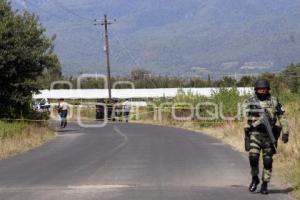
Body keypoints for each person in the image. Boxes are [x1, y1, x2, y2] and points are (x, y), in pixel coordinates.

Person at [244, 79, 289, 194]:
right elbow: (243, 116)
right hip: (255, 134)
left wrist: (285, 132)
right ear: (256, 90)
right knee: (253, 158)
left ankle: (265, 184)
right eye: (259, 89)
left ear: (268, 89)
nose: (262, 91)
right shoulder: (250, 101)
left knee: (268, 161)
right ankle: (255, 178)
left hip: (269, 135)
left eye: (264, 89)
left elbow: (282, 117)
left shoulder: (274, 101)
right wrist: (253, 121)